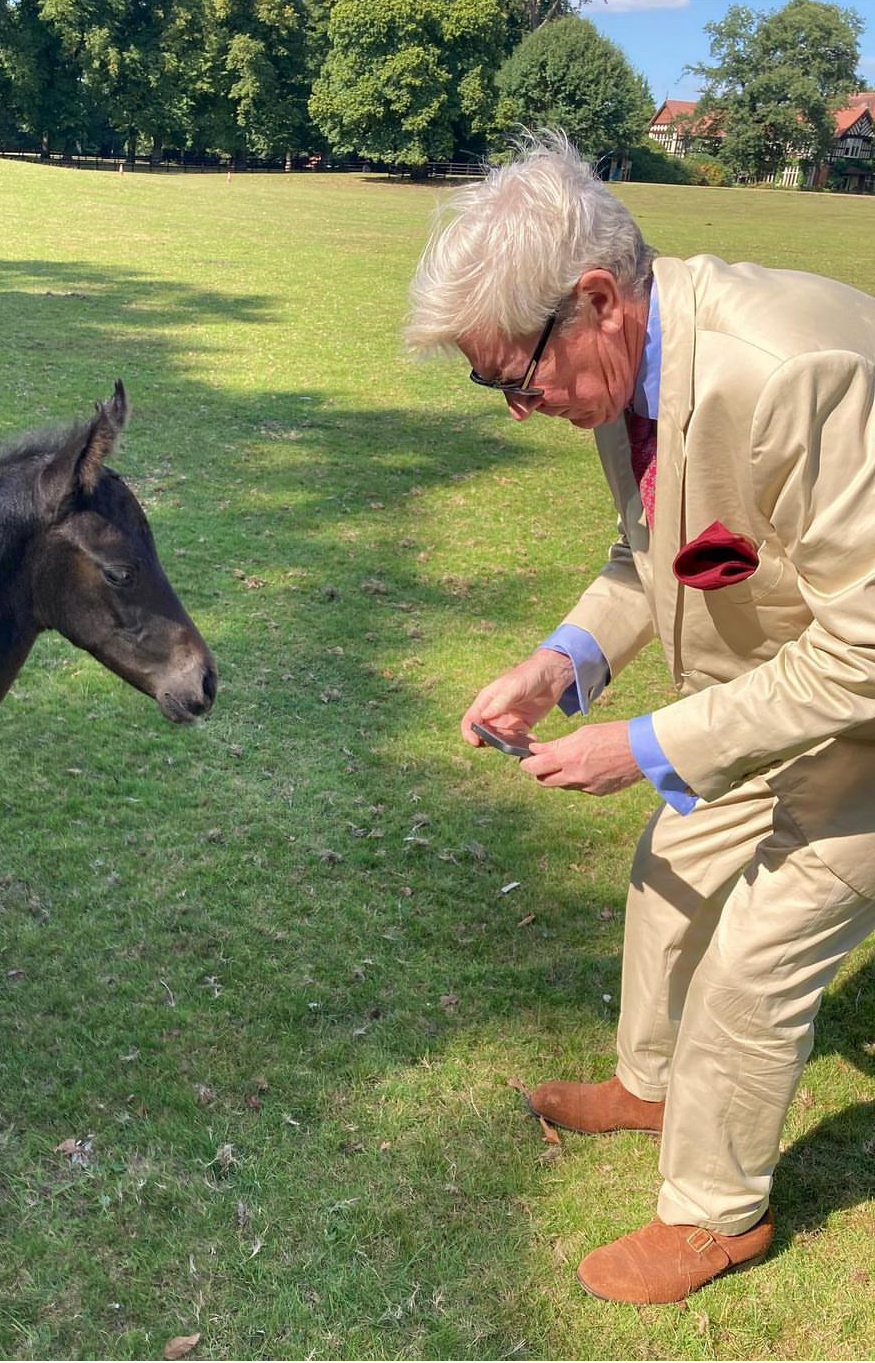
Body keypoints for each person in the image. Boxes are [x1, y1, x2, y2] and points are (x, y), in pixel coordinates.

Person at [405, 131, 875, 1305]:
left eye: (515, 379)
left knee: (757, 954)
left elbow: (868, 643)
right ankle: (654, 1087)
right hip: (808, 674)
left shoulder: (792, 372)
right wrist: (557, 664)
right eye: (493, 387)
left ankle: (717, 1218)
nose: (519, 410)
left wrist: (652, 745)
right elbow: (656, 551)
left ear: (598, 301)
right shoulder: (630, 376)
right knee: (674, 858)